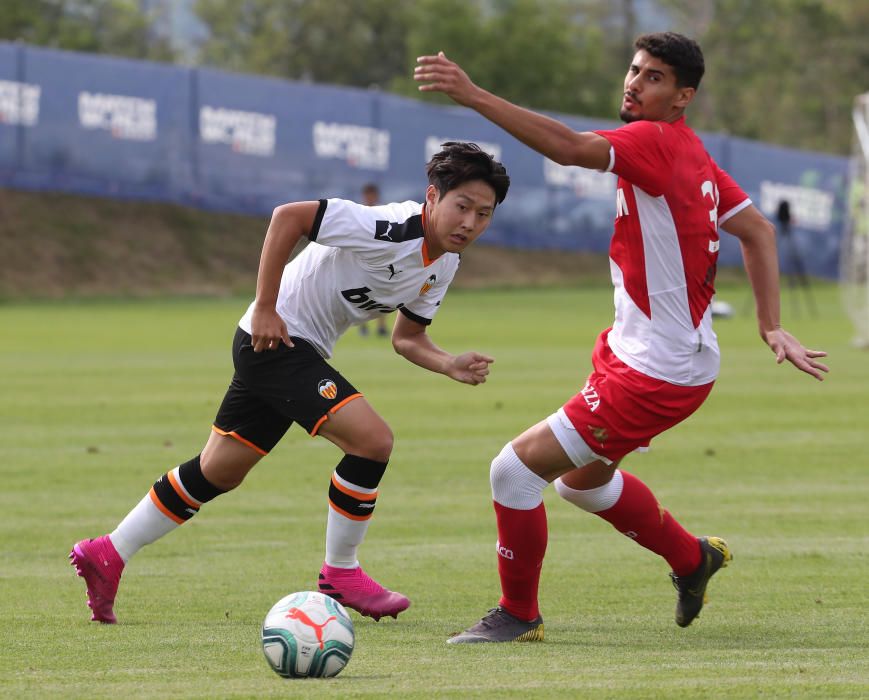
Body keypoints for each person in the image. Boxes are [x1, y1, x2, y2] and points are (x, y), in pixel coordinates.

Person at [415, 33, 829, 643]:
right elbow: (759, 231)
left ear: (682, 97)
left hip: (652, 374)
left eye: (654, 77)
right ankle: (693, 558)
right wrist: (768, 325)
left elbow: (568, 147)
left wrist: (473, 95)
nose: (635, 83)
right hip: (652, 357)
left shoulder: (655, 142)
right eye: (634, 70)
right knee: (581, 483)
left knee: (513, 472)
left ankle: (519, 615)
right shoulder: (692, 152)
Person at [70, 142, 510, 624]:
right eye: (461, 206)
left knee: (218, 471)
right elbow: (287, 218)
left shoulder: (443, 264)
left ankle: (108, 553)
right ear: (432, 197)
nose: (469, 222)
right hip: (276, 340)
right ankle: (341, 572)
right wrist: (265, 305)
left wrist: (447, 363)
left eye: (483, 214)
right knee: (372, 442)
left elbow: (408, 338)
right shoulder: (387, 226)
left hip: (291, 350)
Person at [358, 182, 391, 337]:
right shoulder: (359, 212)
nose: (369, 198)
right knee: (361, 293)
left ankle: (381, 327)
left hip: (380, 259)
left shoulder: (382, 213)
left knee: (381, 294)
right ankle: (362, 325)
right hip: (362, 259)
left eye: (371, 195)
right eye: (367, 195)